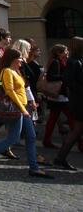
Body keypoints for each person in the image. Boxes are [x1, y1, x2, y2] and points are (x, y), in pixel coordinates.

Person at [0, 48, 53, 178]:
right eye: (20, 57)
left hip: (22, 107)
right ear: (12, 59)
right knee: (14, 137)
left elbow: (24, 89)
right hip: (17, 109)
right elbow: (10, 91)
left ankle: (34, 167)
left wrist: (30, 102)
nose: (22, 59)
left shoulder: (16, 71)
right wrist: (23, 109)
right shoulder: (7, 71)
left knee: (30, 137)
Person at [53, 37, 83, 171]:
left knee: (76, 131)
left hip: (78, 100)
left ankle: (60, 158)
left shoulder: (78, 60)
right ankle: (60, 158)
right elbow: (69, 81)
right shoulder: (74, 62)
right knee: (76, 131)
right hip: (79, 101)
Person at [43, 44, 71, 148]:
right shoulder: (56, 62)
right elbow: (51, 77)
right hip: (59, 96)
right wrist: (64, 76)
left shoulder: (58, 61)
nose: (67, 52)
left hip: (57, 96)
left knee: (52, 119)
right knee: (72, 119)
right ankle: (78, 143)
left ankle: (47, 140)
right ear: (59, 53)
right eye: (65, 51)